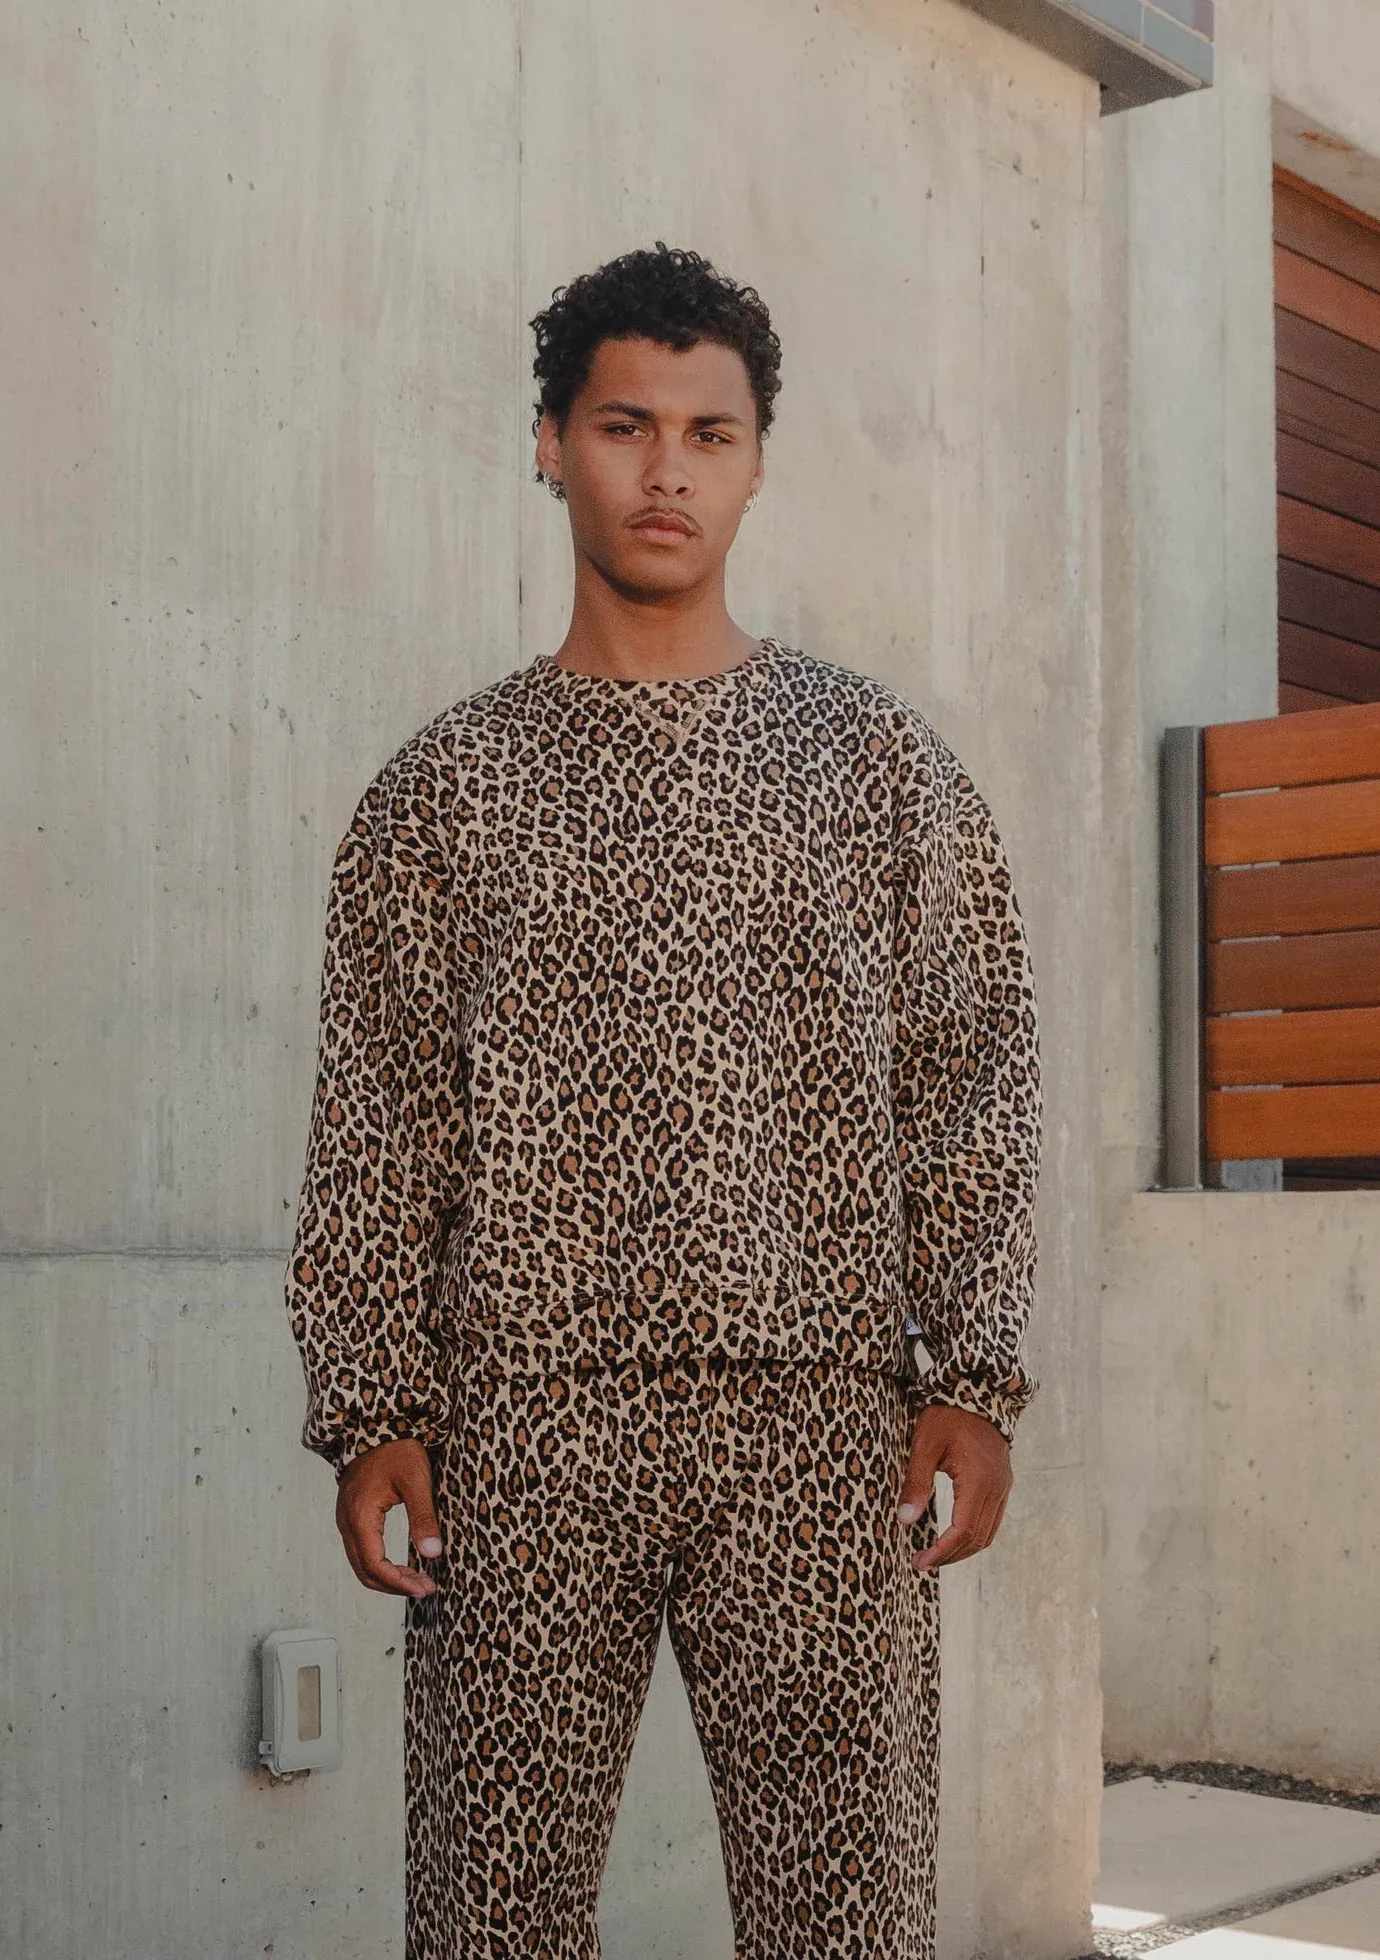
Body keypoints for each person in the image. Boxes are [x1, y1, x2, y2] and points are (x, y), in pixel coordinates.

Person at [286, 243, 1041, 1960]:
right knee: (490, 1918)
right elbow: (379, 1122)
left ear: (759, 462)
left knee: (844, 1920)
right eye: (626, 426)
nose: (667, 471)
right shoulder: (442, 791)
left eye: (711, 433)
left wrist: (973, 1377)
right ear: (550, 445)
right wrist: (372, 1407)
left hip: (820, 1422)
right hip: (521, 1425)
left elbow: (974, 1077)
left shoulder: (877, 764)